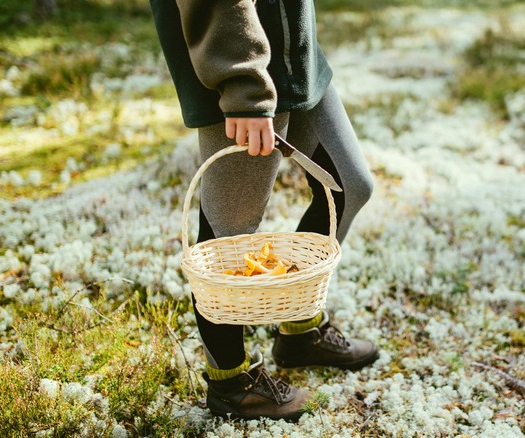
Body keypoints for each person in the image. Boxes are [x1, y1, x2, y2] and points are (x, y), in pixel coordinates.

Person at [149, 0, 378, 421]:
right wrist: (244, 88)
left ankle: (299, 334)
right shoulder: (243, 78)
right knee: (229, 232)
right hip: (243, 63)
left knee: (349, 185)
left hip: (291, 48)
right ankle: (230, 384)